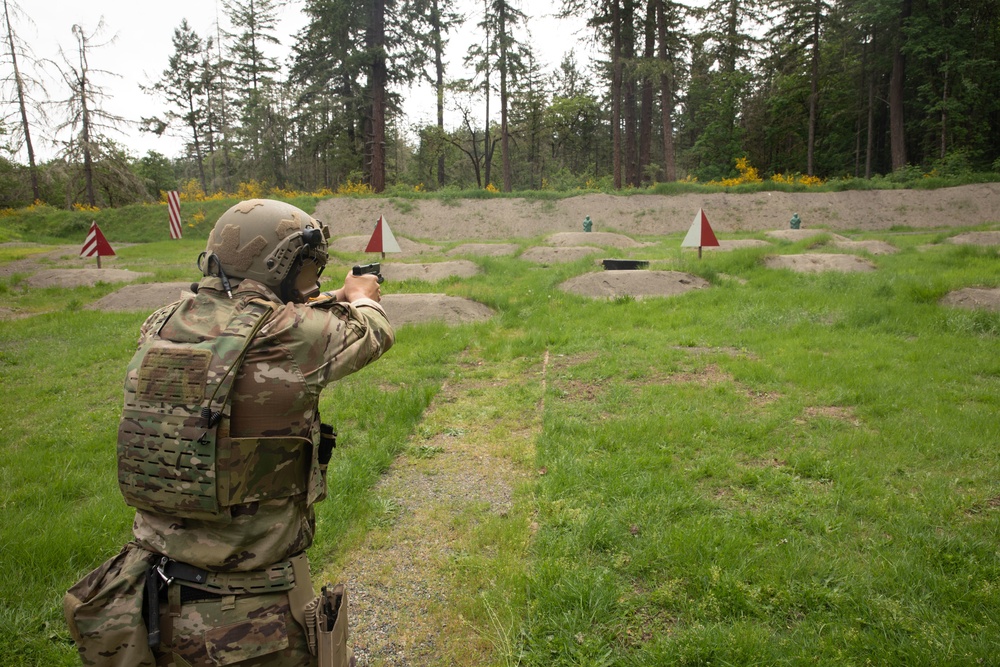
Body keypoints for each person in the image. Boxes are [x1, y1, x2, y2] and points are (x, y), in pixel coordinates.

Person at [65, 199, 393, 667]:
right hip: (247, 614)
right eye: (308, 268)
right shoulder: (291, 335)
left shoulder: (161, 322)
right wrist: (360, 296)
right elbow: (373, 332)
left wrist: (324, 300)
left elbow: (244, 321)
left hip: (151, 586)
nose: (313, 279)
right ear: (280, 263)